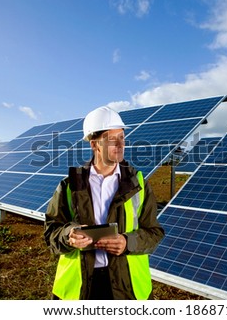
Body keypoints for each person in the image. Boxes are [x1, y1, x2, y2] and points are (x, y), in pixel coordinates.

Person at [44, 106, 165, 300]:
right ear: (94, 145)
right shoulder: (70, 185)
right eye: (111, 139)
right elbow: (51, 233)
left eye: (122, 137)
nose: (120, 144)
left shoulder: (138, 184)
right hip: (80, 289)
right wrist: (69, 235)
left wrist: (127, 242)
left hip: (126, 287)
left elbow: (154, 233)